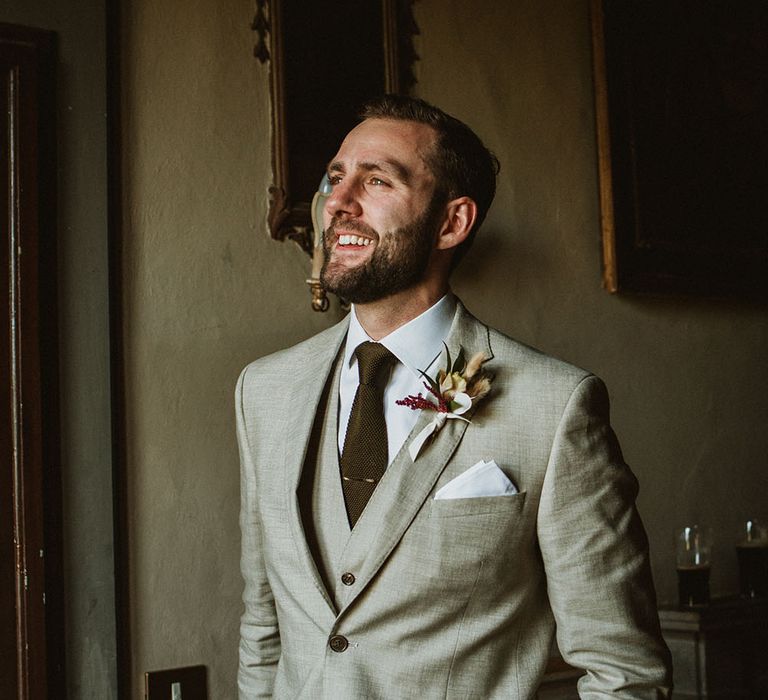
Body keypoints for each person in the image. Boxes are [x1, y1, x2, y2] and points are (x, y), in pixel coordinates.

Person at [236, 94, 672, 698]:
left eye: (377, 180)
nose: (337, 202)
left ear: (452, 222)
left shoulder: (556, 407)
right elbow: (264, 627)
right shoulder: (262, 390)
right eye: (336, 179)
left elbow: (624, 670)